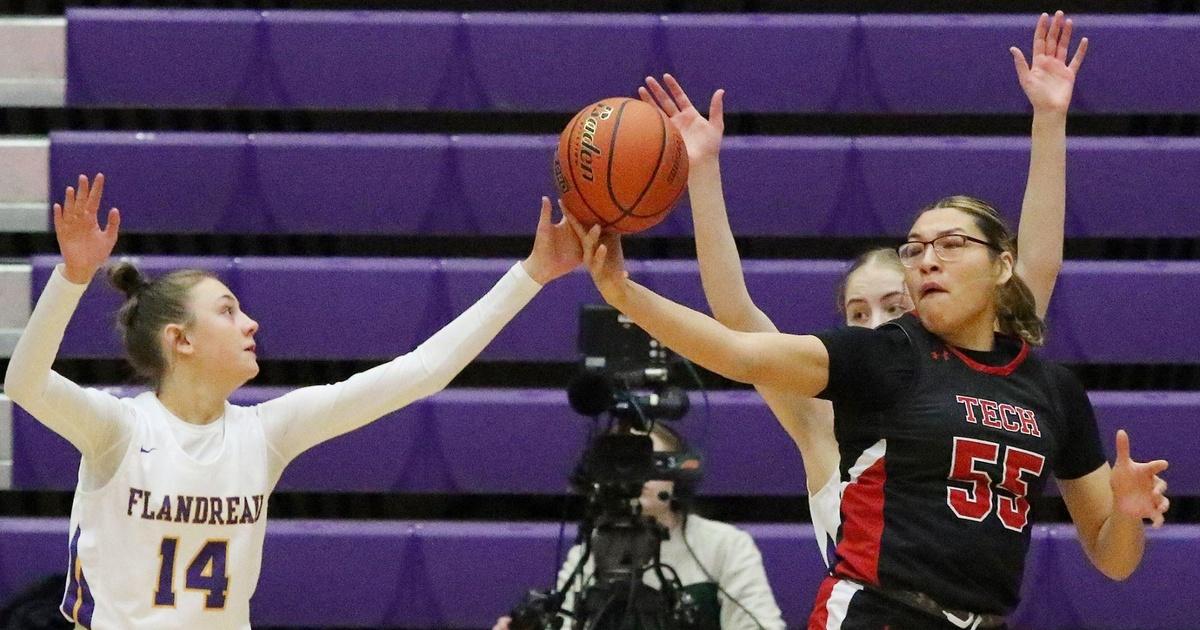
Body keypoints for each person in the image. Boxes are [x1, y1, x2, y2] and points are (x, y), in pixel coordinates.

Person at [3, 174, 583, 629]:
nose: (251, 323)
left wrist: (531, 274)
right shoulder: (120, 429)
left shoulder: (265, 432)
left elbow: (423, 372)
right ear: (179, 340)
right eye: (227, 311)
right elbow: (25, 384)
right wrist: (72, 277)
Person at [569, 194, 1169, 627]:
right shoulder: (887, 357)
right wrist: (624, 292)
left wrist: (1126, 512)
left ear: (1001, 265)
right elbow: (738, 345)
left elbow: (1115, 561)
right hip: (877, 611)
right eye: (915, 249)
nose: (928, 259)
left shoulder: (1050, 389)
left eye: (951, 245)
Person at [637, 10, 1089, 565]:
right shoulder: (822, 412)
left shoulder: (982, 374)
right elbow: (735, 313)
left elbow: (1034, 270)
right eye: (858, 313)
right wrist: (702, 174)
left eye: (892, 306)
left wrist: (1049, 118)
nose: (875, 324)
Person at [494, 424, 785, 630]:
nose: (636, 477)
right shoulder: (593, 547)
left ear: (676, 475)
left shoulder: (725, 544)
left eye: (648, 463)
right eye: (623, 465)